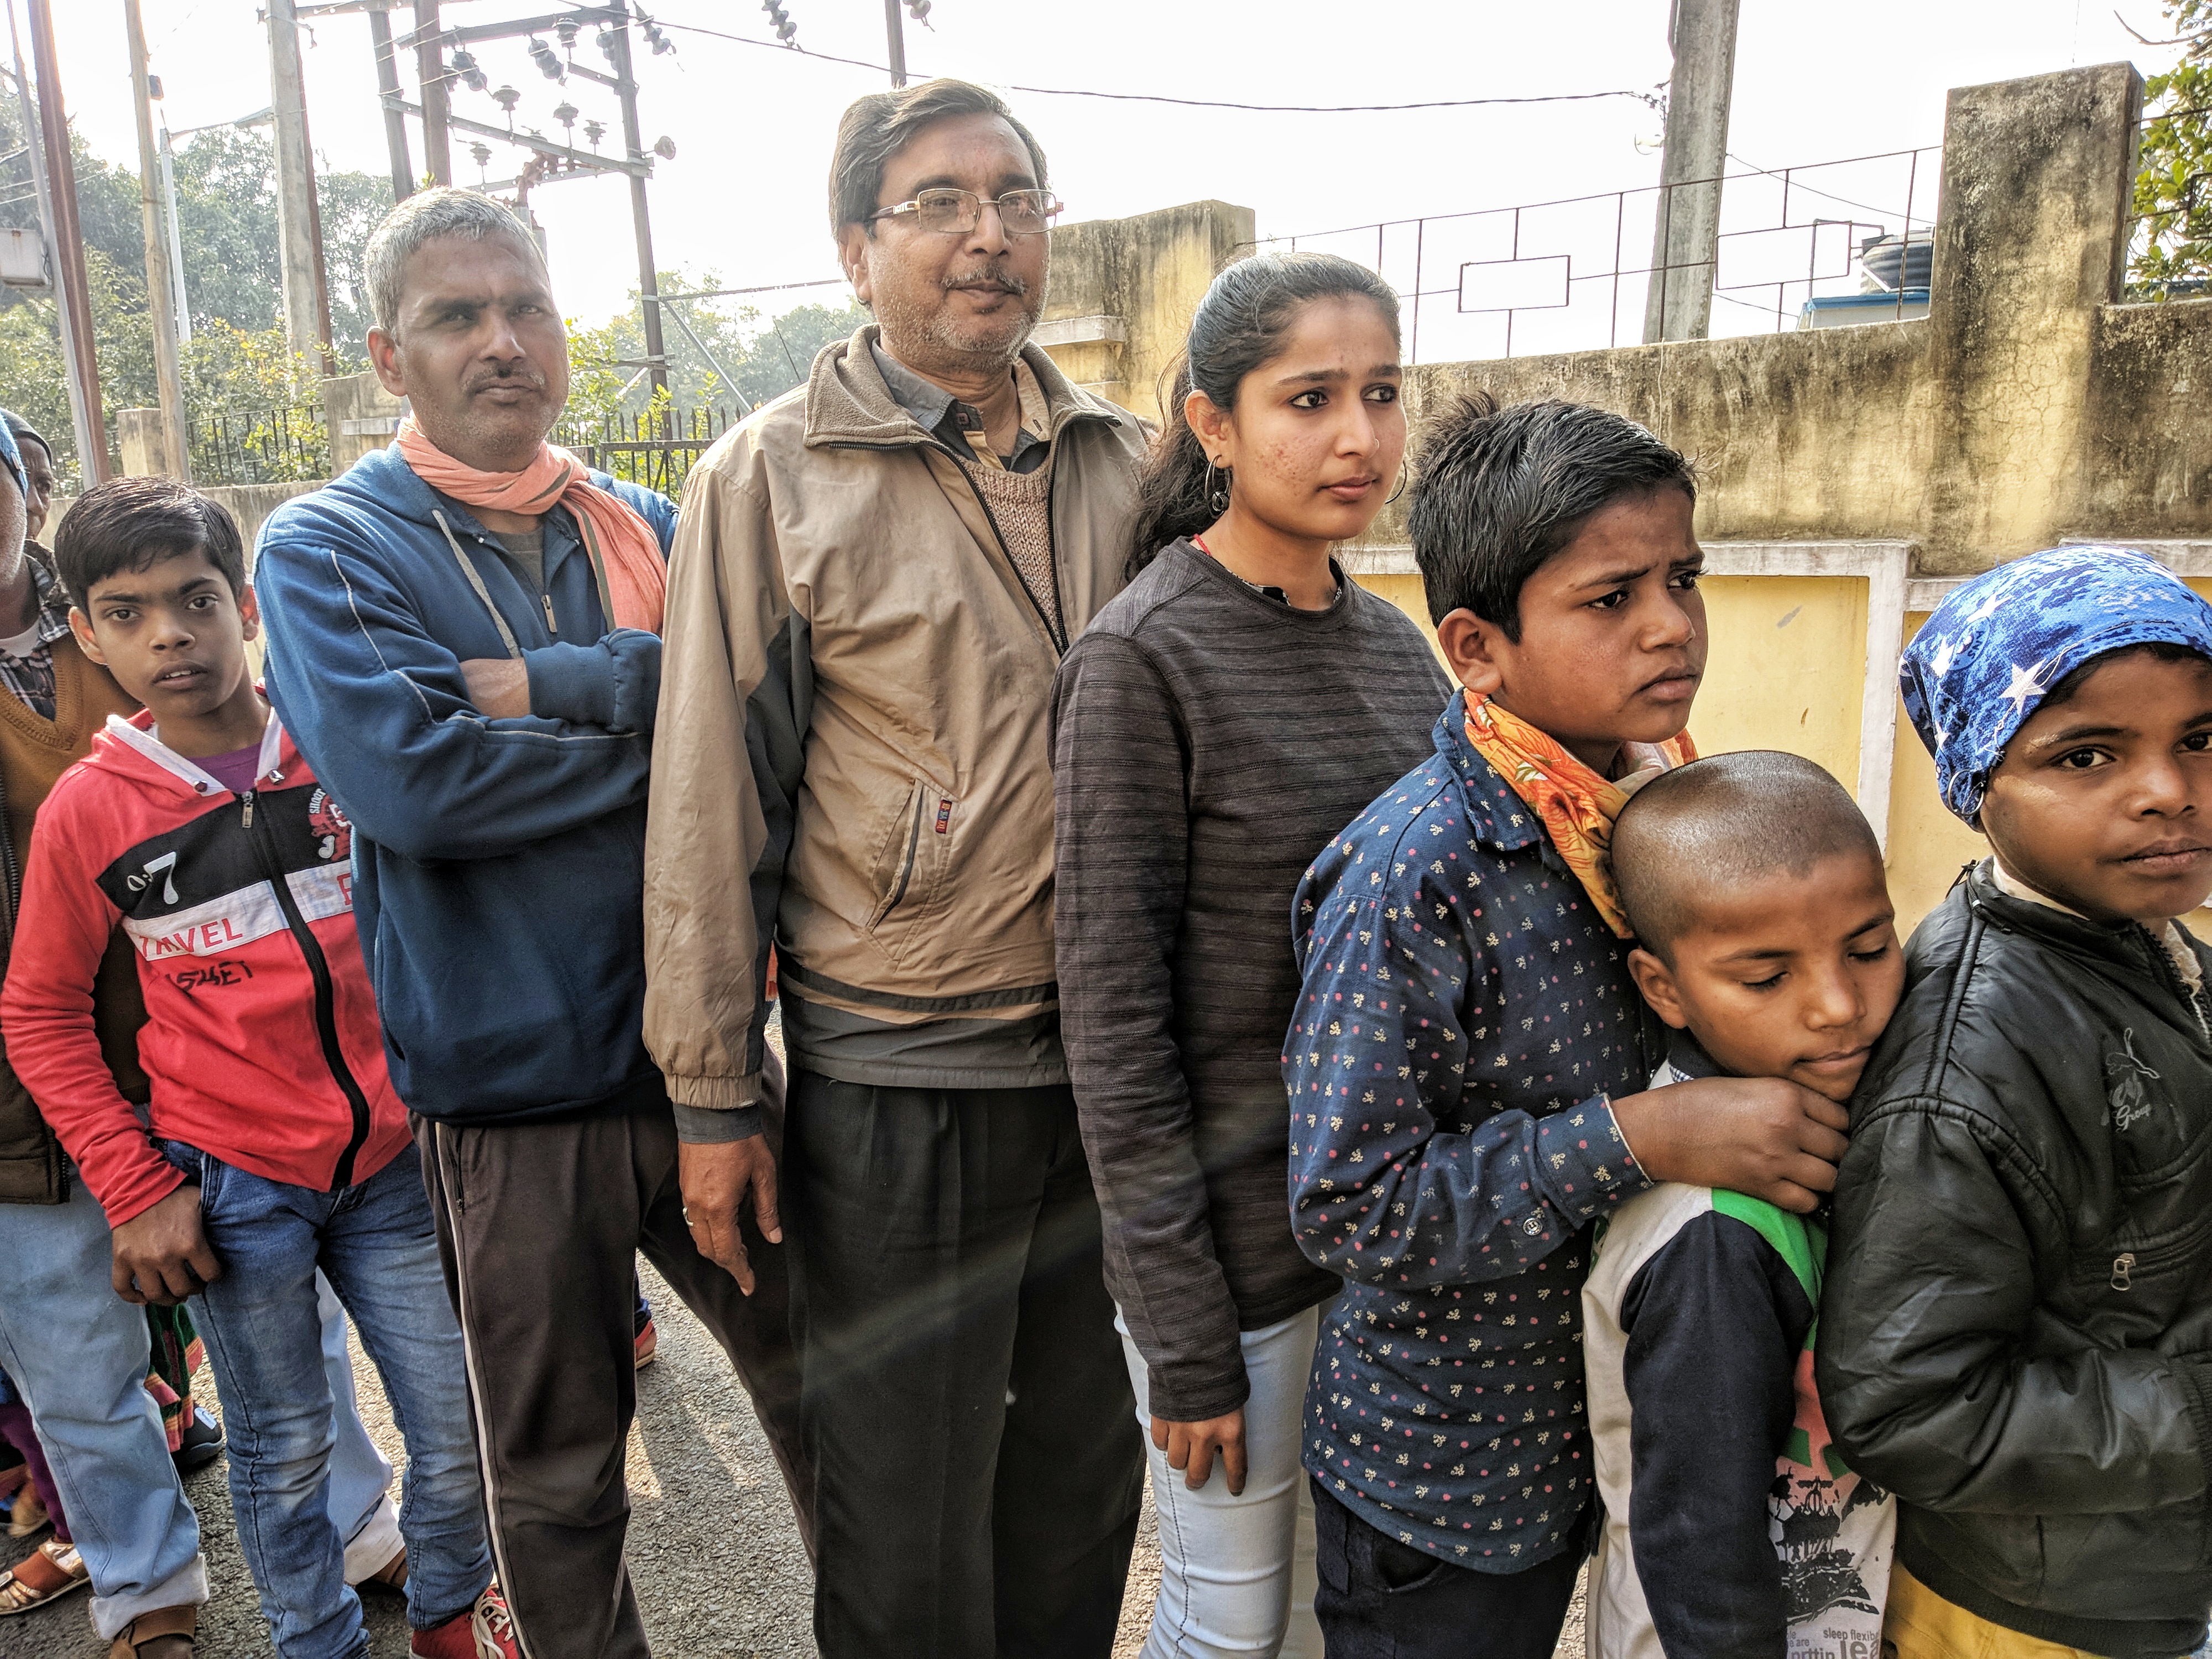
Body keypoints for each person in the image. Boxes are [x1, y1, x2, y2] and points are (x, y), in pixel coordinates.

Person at [252, 186, 808, 1659]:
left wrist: (541, 687)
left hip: (704, 1066)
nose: (504, 343)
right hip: (509, 1104)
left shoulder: (647, 522)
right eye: (456, 316)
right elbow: (415, 786)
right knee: (558, 1482)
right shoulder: (326, 550)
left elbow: (759, 740)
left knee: (836, 1399)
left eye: (528, 308)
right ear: (389, 356)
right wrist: (653, 704)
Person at [643, 77, 1149, 1658]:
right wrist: (715, 1094)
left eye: (1018, 197)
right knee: (905, 1523)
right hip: (902, 1075)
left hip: (1112, 1075)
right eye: (939, 202)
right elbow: (709, 800)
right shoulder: (771, 476)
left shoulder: (1127, 466)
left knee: (1082, 1490)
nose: (988, 235)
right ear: (857, 245)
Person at [1283, 394, 1854, 1659]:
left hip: (1610, 1432)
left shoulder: (1646, 802)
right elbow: (1351, 1204)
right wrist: (1645, 1135)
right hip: (1447, 1484)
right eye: (1611, 599)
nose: (1670, 627)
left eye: (1683, 579)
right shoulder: (1412, 875)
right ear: (1475, 649)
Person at [2, 477, 514, 1659]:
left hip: (395, 1161)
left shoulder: (341, 744)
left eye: (194, 602)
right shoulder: (93, 806)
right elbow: (38, 1012)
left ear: (245, 605)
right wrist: (136, 1186)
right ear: (85, 633)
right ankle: (313, 1641)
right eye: (126, 615)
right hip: (231, 1185)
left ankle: (449, 1614)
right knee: (281, 1452)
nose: (169, 635)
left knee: (459, 1419)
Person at [1051, 251, 1448, 1659]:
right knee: (1227, 1627)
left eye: (1381, 393)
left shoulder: (1401, 655)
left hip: (1393, 1246)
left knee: (1325, 1619)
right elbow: (1113, 1024)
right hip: (1235, 1264)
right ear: (1211, 423)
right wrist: (1181, 1331)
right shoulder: (1142, 658)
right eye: (1308, 398)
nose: (1356, 437)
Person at [1821, 545, 2212, 1659]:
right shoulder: (1965, 1068)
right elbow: (1911, 1407)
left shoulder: (2135, 945)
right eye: (2085, 754)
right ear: (1977, 782)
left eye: (2199, 738)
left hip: (2132, 1558)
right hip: (2025, 1611)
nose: (2167, 789)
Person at [1582, 752, 1903, 1659]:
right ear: (1663, 987)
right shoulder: (1713, 1241)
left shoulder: (1816, 1116)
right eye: (1768, 979)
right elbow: (1699, 1537)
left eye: (1871, 949)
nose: (1839, 1006)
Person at [0, 420, 206, 1659]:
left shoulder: (118, 615)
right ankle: (147, 1593)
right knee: (71, 1357)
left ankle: (359, 1533)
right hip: (18, 1074)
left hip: (190, 1023)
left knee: (279, 1312)